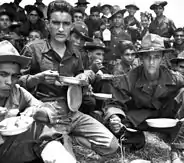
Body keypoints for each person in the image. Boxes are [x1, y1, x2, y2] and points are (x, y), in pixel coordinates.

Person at [20, 0, 119, 159]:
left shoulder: (76, 52)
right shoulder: (33, 48)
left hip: (72, 110)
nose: (61, 28)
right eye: (56, 23)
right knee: (65, 158)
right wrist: (37, 78)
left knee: (112, 146)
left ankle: (72, 139)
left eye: (65, 24)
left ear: (71, 25)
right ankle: (61, 140)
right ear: (47, 24)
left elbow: (81, 80)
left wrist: (83, 78)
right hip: (46, 112)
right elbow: (16, 83)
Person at [0, 40, 76, 163]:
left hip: (7, 153)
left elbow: (49, 111)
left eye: (14, 76)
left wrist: (36, 112)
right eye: (3, 74)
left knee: (40, 125)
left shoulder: (17, 92)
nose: (9, 82)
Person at [107, 33, 184, 162]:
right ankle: (141, 141)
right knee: (117, 127)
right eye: (148, 57)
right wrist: (114, 117)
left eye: (156, 57)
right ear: (141, 58)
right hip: (141, 120)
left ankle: (178, 148)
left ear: (162, 58)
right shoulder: (130, 78)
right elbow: (115, 102)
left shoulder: (173, 77)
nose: (152, 62)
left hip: (166, 117)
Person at [104, 7, 131, 72]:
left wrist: (122, 60)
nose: (117, 20)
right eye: (115, 17)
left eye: (119, 17)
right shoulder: (106, 33)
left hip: (121, 67)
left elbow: (129, 54)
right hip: (106, 65)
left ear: (122, 19)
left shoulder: (126, 36)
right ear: (112, 19)